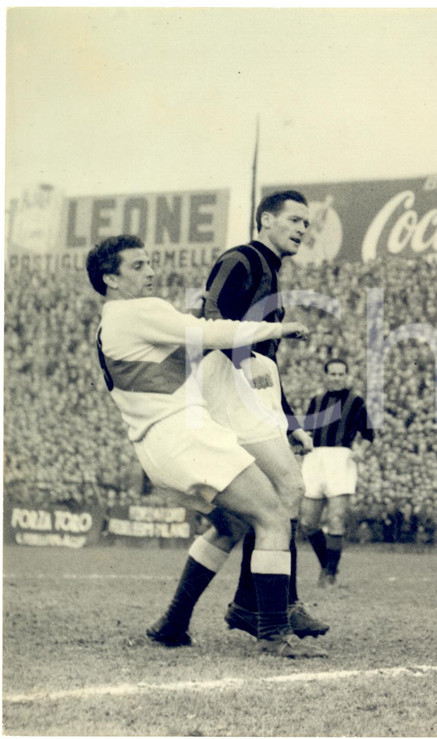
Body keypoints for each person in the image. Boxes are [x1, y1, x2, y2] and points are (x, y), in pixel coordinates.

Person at [86, 234, 320, 658]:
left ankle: (172, 624)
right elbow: (208, 331)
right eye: (138, 265)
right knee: (271, 515)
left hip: (157, 451)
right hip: (185, 436)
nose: (151, 271)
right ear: (111, 279)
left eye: (150, 262)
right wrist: (276, 327)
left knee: (229, 526)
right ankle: (271, 633)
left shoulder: (109, 325)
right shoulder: (138, 309)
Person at [200, 190, 329, 639]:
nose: (301, 229)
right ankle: (281, 605)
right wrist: (243, 379)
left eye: (306, 224)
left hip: (253, 391)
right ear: (265, 220)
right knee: (289, 487)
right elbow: (211, 318)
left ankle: (241, 606)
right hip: (232, 387)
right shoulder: (241, 259)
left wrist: (289, 419)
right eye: (294, 220)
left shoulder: (270, 271)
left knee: (259, 508)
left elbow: (266, 360)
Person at [298, 357, 374, 587]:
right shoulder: (316, 401)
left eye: (341, 374)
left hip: (340, 459)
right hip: (315, 458)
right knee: (308, 522)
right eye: (333, 374)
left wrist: (361, 450)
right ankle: (327, 565)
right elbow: (307, 432)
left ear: (346, 376)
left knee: (336, 519)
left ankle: (330, 575)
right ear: (326, 376)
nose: (337, 377)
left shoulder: (356, 401)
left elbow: (369, 436)